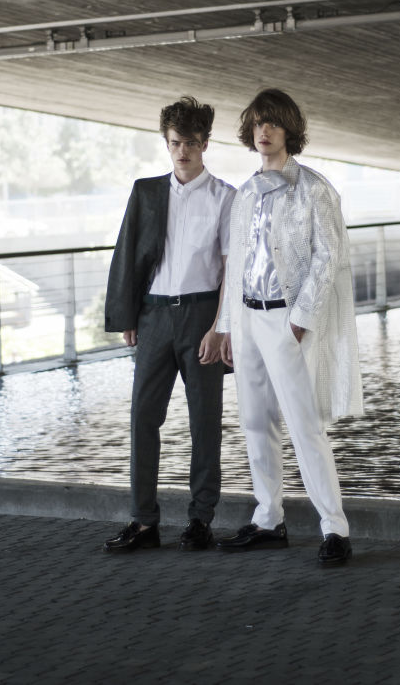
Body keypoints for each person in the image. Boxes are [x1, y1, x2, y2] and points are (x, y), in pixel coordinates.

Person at [217, 88, 363, 566]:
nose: (264, 131)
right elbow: (236, 263)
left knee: (304, 425)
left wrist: (300, 320)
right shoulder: (245, 193)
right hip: (248, 319)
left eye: (274, 123)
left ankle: (335, 528)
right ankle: (268, 520)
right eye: (258, 123)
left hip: (286, 319)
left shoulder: (314, 189)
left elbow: (329, 256)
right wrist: (227, 326)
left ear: (289, 131)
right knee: (255, 421)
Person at [103, 96, 235, 553]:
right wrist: (128, 315)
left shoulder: (225, 197)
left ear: (205, 144)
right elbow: (126, 252)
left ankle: (200, 520)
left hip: (202, 316)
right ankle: (144, 522)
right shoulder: (146, 192)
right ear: (166, 142)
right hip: (154, 315)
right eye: (176, 143)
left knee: (205, 422)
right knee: (143, 417)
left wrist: (221, 327)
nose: (183, 151)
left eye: (192, 143)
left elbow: (230, 269)